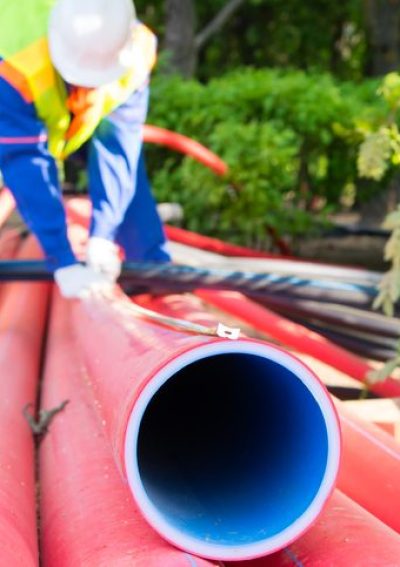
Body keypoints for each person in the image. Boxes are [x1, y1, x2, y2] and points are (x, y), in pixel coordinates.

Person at [0, 0, 171, 298]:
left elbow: (119, 148)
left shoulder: (135, 50)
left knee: (127, 178)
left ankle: (149, 276)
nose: (88, 88)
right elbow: (25, 161)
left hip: (72, 120)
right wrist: (61, 259)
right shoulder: (15, 65)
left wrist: (103, 235)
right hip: (14, 108)